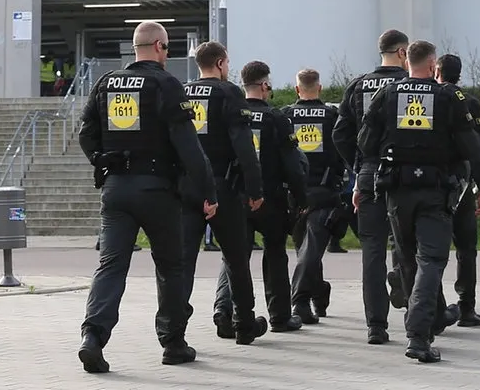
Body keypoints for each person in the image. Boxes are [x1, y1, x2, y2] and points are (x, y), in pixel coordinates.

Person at [77, 21, 217, 374]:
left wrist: (101, 160)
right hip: (157, 190)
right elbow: (189, 146)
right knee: (171, 267)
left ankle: (93, 337)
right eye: (168, 49)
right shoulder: (166, 84)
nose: (167, 55)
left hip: (116, 190)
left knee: (111, 265)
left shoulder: (107, 82)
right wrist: (207, 191)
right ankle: (173, 343)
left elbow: (86, 134)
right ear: (157, 46)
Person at [357, 40, 480, 364]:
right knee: (431, 260)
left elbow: (365, 141)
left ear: (407, 63)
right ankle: (418, 336)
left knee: (407, 260)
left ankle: (422, 326)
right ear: (433, 66)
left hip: (396, 192)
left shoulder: (387, 95)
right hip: (435, 191)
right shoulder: (449, 97)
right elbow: (472, 146)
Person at [182, 40, 267, 345]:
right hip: (223, 186)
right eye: (227, 63)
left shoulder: (183, 90)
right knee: (236, 257)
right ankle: (244, 324)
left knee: (182, 262)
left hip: (186, 187)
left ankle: (173, 333)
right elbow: (245, 146)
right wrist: (254, 189)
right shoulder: (229, 92)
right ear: (220, 64)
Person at [217, 61, 310, 333]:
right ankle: (280, 316)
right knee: (275, 255)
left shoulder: (230, 113)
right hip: (271, 198)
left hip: (236, 194)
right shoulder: (276, 118)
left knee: (233, 257)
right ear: (265, 85)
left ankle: (224, 312)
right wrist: (301, 198)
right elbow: (293, 163)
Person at [333, 28, 412, 345]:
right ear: (403, 53)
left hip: (368, 173)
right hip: (404, 176)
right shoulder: (411, 87)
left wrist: (359, 165)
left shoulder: (358, 85)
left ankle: (376, 326)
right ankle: (413, 313)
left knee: (372, 251)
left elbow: (340, 134)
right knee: (408, 246)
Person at [285, 66, 344, 324]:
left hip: (294, 193)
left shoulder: (285, 116)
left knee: (307, 251)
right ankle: (318, 292)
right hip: (324, 190)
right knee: (308, 250)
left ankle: (299, 303)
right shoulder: (333, 116)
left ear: (297, 89)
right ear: (319, 87)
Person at [436, 53, 480, 328]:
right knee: (466, 248)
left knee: (433, 249)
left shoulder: (430, 98)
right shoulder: (470, 103)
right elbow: (479, 146)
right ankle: (467, 306)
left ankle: (436, 305)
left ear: (437, 71)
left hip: (436, 185)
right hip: (464, 184)